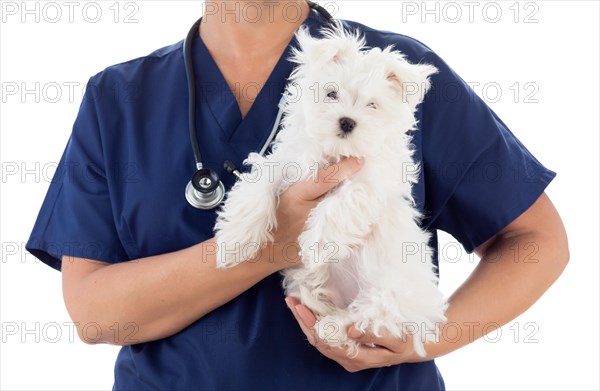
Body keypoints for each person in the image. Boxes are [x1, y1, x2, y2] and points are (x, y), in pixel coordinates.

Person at [26, 1, 569, 389]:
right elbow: (94, 314)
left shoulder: (391, 70)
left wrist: (424, 337)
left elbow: (536, 240)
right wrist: (272, 246)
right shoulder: (117, 100)